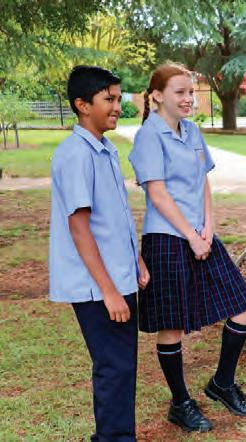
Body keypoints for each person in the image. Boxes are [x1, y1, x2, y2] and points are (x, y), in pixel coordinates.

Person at [129, 62, 246, 433]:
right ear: (157, 96)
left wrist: (208, 228)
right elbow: (157, 194)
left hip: (201, 234)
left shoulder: (192, 131)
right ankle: (181, 402)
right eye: (180, 92)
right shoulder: (149, 136)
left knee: (244, 307)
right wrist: (190, 234)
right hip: (167, 238)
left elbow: (203, 182)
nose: (189, 99)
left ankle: (222, 382)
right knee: (171, 326)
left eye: (190, 92)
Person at [49, 65, 150, 441]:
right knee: (114, 368)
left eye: (118, 98)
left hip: (117, 276)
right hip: (97, 286)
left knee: (121, 366)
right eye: (109, 99)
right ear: (82, 105)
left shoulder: (105, 149)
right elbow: (80, 227)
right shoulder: (75, 154)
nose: (117, 106)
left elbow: (114, 218)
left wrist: (136, 259)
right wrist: (109, 291)